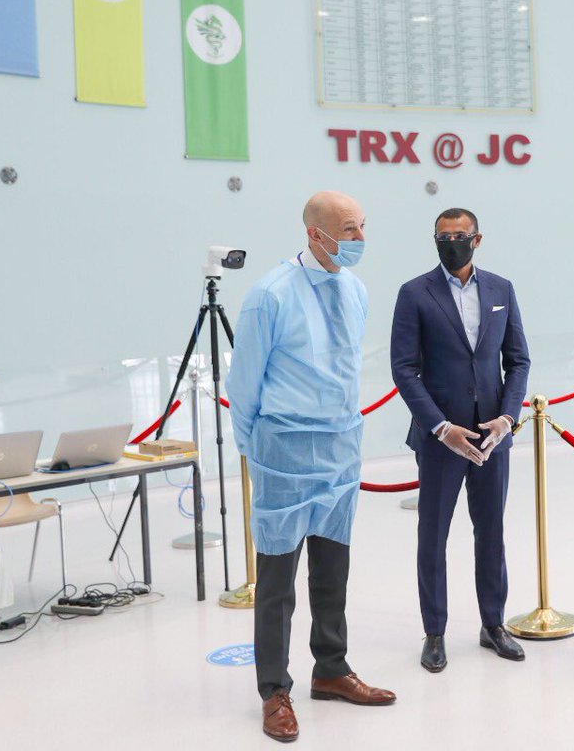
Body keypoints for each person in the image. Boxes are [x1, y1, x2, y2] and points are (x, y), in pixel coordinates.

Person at [226, 191, 396, 744]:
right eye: (348, 229)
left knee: (332, 570)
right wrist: (255, 449)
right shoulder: (269, 295)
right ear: (314, 233)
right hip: (284, 449)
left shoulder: (355, 290)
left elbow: (344, 369)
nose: (360, 239)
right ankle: (274, 690)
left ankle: (331, 669)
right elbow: (244, 383)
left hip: (340, 445)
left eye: (362, 227)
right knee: (277, 580)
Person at [390, 207, 530, 673]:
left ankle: (493, 624)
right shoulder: (414, 293)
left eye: (459, 236)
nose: (451, 243)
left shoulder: (501, 290)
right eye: (442, 237)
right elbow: (404, 369)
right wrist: (440, 427)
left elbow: (518, 360)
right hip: (440, 439)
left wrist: (507, 417)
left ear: (477, 239)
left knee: (491, 533)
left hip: (491, 436)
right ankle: (434, 632)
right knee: (433, 536)